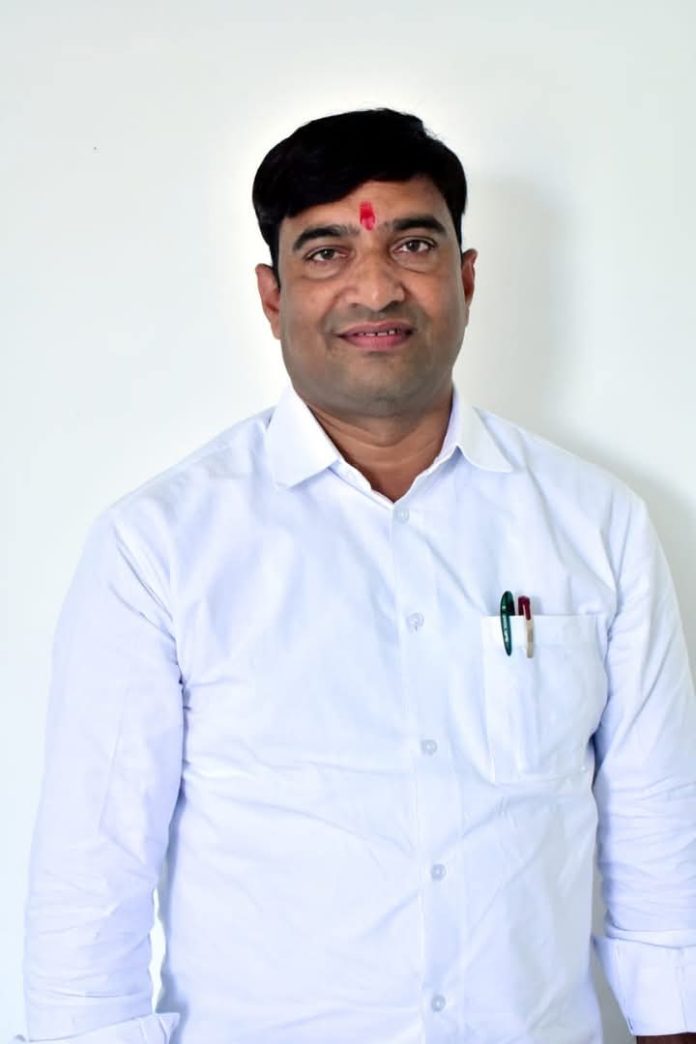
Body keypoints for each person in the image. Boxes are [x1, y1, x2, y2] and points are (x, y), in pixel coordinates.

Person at [16, 109, 696, 1044]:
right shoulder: (161, 547)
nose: (375, 289)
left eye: (413, 245)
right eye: (327, 253)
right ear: (271, 296)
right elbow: (93, 875)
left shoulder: (596, 526)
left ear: (466, 277)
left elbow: (659, 832)